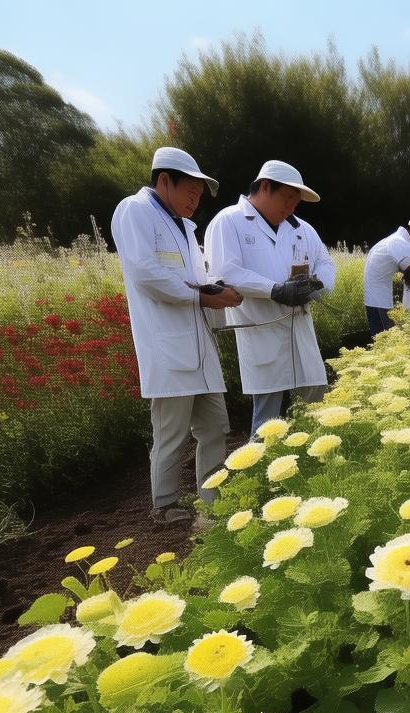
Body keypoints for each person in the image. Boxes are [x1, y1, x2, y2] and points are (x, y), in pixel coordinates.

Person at [110, 146, 241, 525]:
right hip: (167, 350)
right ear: (164, 180)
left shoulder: (184, 227)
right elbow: (147, 275)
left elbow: (194, 280)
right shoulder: (134, 211)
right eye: (191, 191)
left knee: (215, 425)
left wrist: (217, 290)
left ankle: (213, 501)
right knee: (171, 433)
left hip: (199, 348)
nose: (195, 201)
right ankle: (164, 505)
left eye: (199, 196)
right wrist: (203, 296)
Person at [205, 160, 335, 435]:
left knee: (315, 402)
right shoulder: (229, 221)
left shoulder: (302, 229)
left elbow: (325, 262)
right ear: (265, 187)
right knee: (268, 417)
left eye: (296, 202)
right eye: (287, 198)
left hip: (299, 329)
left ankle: (313, 468)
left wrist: (316, 285)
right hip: (261, 329)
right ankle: (261, 475)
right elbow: (225, 271)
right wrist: (275, 290)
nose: (290, 207)